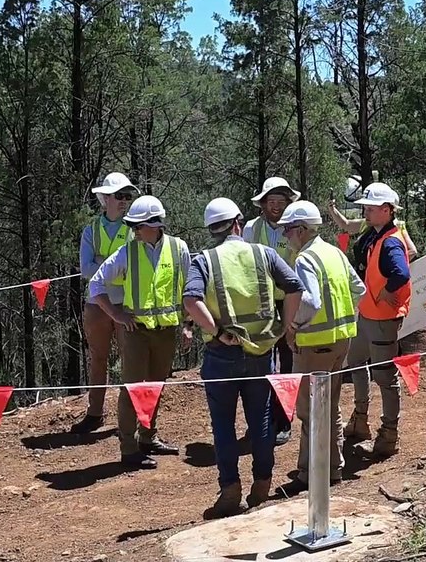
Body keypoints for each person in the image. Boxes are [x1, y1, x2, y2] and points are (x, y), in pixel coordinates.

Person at [183, 197, 305, 518]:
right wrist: (284, 328)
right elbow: (294, 287)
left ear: (212, 230)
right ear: (238, 224)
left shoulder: (204, 260)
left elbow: (191, 299)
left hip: (221, 354)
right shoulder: (264, 253)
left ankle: (230, 489)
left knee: (223, 424)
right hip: (261, 351)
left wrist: (217, 331)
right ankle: (262, 482)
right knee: (261, 419)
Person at [87, 195, 189, 470]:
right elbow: (96, 284)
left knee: (155, 386)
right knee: (132, 388)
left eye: (137, 225)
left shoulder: (179, 249)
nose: (133, 230)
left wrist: (188, 324)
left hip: (166, 331)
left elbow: (189, 288)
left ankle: (148, 437)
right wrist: (116, 315)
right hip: (136, 332)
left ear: (154, 225)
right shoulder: (127, 252)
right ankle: (129, 449)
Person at [280, 200, 365, 486]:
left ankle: (311, 474)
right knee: (331, 406)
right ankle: (333, 468)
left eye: (288, 229)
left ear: (301, 230)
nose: (285, 235)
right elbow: (359, 289)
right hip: (342, 342)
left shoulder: (305, 259)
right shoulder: (334, 253)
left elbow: (311, 301)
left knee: (311, 411)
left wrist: (292, 327)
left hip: (315, 345)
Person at [345, 182, 412, 458]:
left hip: (383, 319)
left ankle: (388, 435)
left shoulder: (391, 240)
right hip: (367, 315)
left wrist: (387, 291)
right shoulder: (377, 235)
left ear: (387, 210)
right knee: (355, 360)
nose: (366, 212)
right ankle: (360, 419)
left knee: (385, 377)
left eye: (370, 208)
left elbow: (402, 274)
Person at [73, 172, 138, 434]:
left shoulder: (134, 229)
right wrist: (117, 269)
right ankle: (95, 413)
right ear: (105, 199)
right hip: (97, 304)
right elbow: (86, 269)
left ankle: (131, 416)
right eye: (119, 196)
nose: (124, 201)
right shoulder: (91, 230)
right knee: (97, 358)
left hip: (126, 304)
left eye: (127, 196)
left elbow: (134, 269)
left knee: (130, 361)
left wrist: (103, 264)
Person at [245, 177, 300, 446]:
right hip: (260, 303)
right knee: (259, 361)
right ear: (263, 204)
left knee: (287, 362)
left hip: (288, 301)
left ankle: (284, 420)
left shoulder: (296, 228)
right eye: (272, 201)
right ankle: (261, 419)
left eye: (281, 201)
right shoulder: (250, 229)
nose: (276, 206)